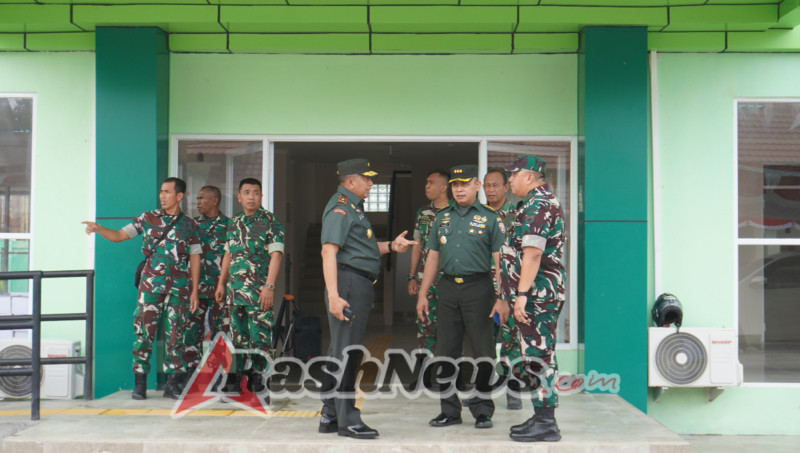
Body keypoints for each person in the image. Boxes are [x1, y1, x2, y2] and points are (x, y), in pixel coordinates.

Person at [318, 159, 415, 440]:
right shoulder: (340, 209)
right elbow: (328, 252)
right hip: (347, 285)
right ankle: (348, 420)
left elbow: (362, 249)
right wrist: (334, 296)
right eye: (367, 178)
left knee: (340, 350)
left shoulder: (353, 209)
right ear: (350, 182)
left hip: (354, 283)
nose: (371, 183)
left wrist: (391, 246)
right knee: (347, 352)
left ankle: (330, 413)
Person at [82, 177, 201, 400]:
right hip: (150, 287)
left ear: (179, 196)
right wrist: (99, 229)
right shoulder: (147, 218)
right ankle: (140, 384)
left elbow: (195, 257)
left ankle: (173, 385)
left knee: (176, 335)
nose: (162, 196)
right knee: (144, 334)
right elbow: (119, 235)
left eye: (167, 192)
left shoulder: (190, 225)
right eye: (161, 192)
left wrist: (194, 290)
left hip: (179, 288)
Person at [416, 164, 508, 430]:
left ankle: (482, 410)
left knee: (483, 351)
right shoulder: (441, 217)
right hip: (446, 290)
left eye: (465, 184)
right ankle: (449, 410)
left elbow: (499, 259)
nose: (459, 189)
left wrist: (501, 296)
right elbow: (432, 256)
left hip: (479, 289)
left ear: (476, 186)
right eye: (456, 185)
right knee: (445, 351)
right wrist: (423, 293)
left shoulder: (490, 218)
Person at [498, 155, 566, 443]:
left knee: (538, 358)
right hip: (530, 294)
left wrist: (522, 295)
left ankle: (546, 422)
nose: (510, 180)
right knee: (529, 357)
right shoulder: (531, 204)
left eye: (513, 175)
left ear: (530, 176)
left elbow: (533, 254)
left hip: (537, 295)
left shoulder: (539, 206)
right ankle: (540, 416)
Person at [215, 178, 284, 394]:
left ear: (261, 197)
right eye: (246, 192)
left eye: (256, 193)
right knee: (237, 338)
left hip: (258, 293)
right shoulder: (233, 222)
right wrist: (221, 283)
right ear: (239, 197)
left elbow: (276, 255)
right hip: (234, 293)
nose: (251, 197)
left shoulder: (270, 221)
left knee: (260, 337)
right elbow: (228, 254)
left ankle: (259, 379)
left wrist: (269, 287)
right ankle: (235, 379)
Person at [483, 167, 522, 410]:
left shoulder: (516, 214)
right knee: (482, 339)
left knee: (510, 338)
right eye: (487, 185)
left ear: (506, 187)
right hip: (480, 284)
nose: (491, 190)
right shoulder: (477, 214)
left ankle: (514, 388)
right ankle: (483, 391)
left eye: (496, 185)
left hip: (508, 285)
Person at [183, 185, 230, 384]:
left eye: (202, 198)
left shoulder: (229, 225)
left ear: (214, 201)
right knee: (192, 331)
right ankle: (189, 376)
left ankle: (219, 377)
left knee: (221, 332)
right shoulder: (192, 225)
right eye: (197, 198)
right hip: (197, 289)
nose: (198, 202)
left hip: (221, 289)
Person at [408, 169, 451, 357]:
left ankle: (451, 374)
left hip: (448, 280)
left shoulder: (456, 212)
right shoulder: (422, 213)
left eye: (431, 182)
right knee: (424, 324)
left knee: (450, 328)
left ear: (443, 187)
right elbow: (417, 246)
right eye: (426, 182)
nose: (426, 186)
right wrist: (411, 277)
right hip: (424, 279)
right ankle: (423, 372)